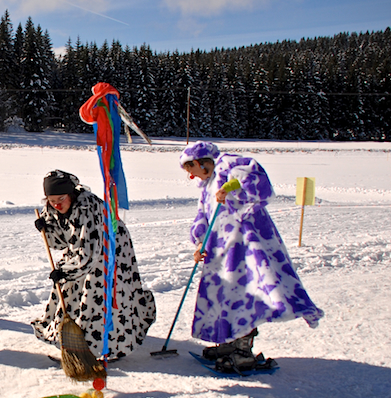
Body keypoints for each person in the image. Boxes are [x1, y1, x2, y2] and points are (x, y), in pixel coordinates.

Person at [180, 141, 324, 370]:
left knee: (245, 294)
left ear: (199, 162)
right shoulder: (206, 186)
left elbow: (259, 185)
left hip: (247, 247)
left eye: (192, 171)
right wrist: (199, 243)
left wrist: (230, 187)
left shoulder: (228, 164)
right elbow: (202, 217)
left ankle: (243, 349)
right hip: (222, 251)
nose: (193, 177)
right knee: (224, 294)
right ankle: (230, 340)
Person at [31, 170, 156, 360]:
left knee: (99, 297)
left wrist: (65, 272)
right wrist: (47, 229)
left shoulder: (87, 209)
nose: (56, 204)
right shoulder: (53, 207)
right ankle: (77, 344)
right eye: (51, 199)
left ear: (71, 194)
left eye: (61, 198)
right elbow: (61, 243)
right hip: (80, 253)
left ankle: (109, 347)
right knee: (72, 292)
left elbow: (89, 255)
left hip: (109, 252)